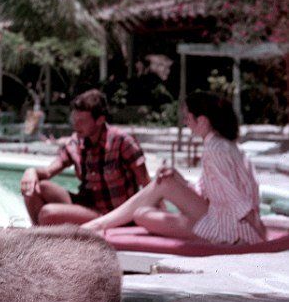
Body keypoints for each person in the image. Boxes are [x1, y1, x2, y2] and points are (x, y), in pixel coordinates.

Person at [83, 91, 265, 243]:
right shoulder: (224, 145)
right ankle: (98, 224)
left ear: (202, 120)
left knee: (150, 203)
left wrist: (259, 233)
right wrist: (180, 179)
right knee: (146, 207)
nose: (186, 123)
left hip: (228, 229)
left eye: (187, 118)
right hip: (224, 219)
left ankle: (97, 225)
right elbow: (212, 192)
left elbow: (235, 197)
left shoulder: (214, 149)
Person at [21, 89, 150, 225]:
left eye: (82, 121)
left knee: (48, 213)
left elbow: (146, 184)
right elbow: (48, 172)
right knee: (35, 188)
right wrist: (31, 171)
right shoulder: (76, 142)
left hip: (115, 215)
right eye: (75, 119)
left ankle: (41, 234)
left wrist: (153, 218)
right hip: (87, 207)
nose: (76, 125)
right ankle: (37, 233)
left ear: (100, 120)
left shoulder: (122, 142)